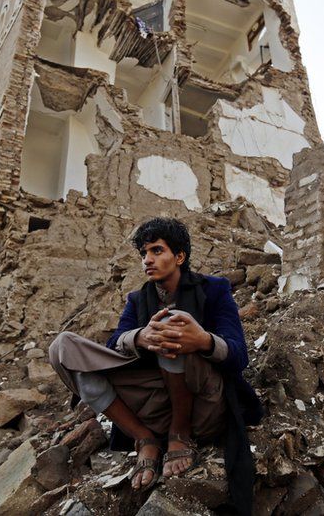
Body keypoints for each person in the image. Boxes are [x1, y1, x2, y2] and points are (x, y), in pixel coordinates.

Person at [49, 217, 261, 512]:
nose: (147, 260)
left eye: (157, 251)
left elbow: (239, 355)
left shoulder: (214, 289)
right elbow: (114, 345)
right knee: (63, 348)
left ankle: (180, 435)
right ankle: (145, 439)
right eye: (144, 254)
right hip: (154, 406)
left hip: (206, 405)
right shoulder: (138, 300)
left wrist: (201, 340)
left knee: (171, 329)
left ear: (179, 256)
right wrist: (139, 337)